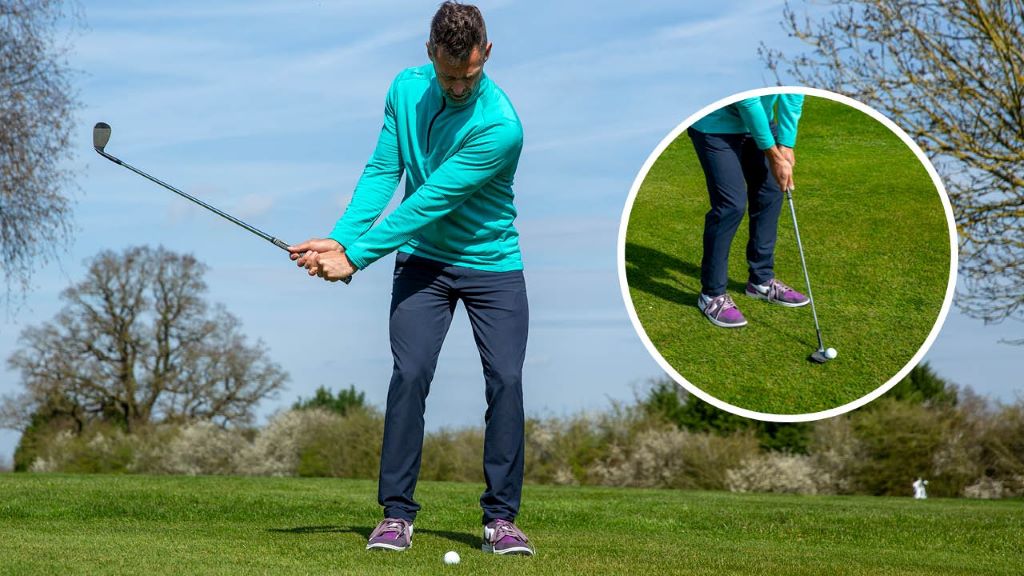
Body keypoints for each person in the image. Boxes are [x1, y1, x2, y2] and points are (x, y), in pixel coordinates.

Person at [289, 1, 533, 556]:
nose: (457, 88)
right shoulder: (404, 89)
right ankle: (397, 514)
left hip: (492, 264)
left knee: (507, 381)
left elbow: (429, 201)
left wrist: (357, 258)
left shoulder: (501, 126)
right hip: (424, 262)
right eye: (448, 76)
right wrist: (342, 238)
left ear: (486, 55)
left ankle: (500, 519)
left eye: (468, 75)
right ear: (430, 54)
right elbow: (383, 171)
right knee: (411, 374)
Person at [688, 94, 810, 328]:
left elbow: (792, 94)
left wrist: (786, 142)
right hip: (716, 126)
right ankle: (711, 295)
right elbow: (747, 101)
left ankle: (761, 281)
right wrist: (773, 155)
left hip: (762, 121)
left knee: (771, 193)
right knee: (730, 206)